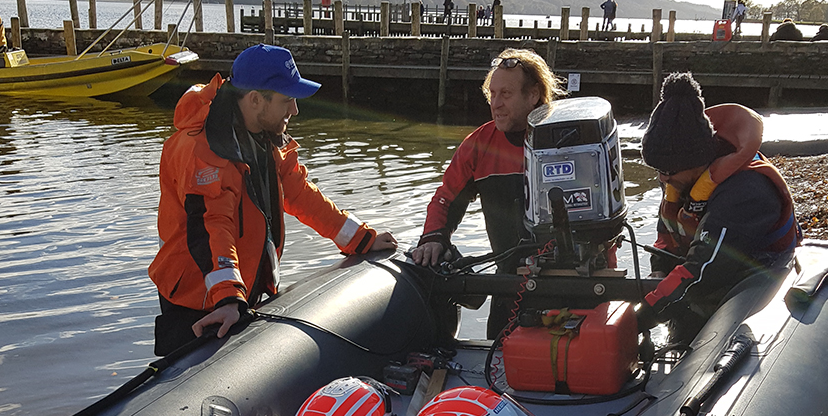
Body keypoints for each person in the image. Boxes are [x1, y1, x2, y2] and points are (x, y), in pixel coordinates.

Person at [150, 43, 398, 355]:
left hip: (237, 288)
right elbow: (212, 226)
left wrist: (361, 239)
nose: (294, 110)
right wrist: (227, 298)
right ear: (255, 100)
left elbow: (300, 194)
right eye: (287, 99)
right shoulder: (202, 149)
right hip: (196, 297)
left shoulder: (264, 134)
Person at [412, 47, 566, 338]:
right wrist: (433, 237)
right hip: (508, 286)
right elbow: (445, 199)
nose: (496, 104)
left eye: (505, 94)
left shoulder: (568, 138)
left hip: (571, 285)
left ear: (533, 95)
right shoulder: (479, 144)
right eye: (492, 94)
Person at [637, 72, 801, 343]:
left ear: (697, 160)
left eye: (667, 171)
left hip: (757, 284)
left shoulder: (746, 191)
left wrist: (641, 317)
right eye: (656, 171)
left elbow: (707, 267)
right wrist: (659, 270)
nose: (662, 179)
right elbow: (667, 233)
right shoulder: (681, 180)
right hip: (711, 278)